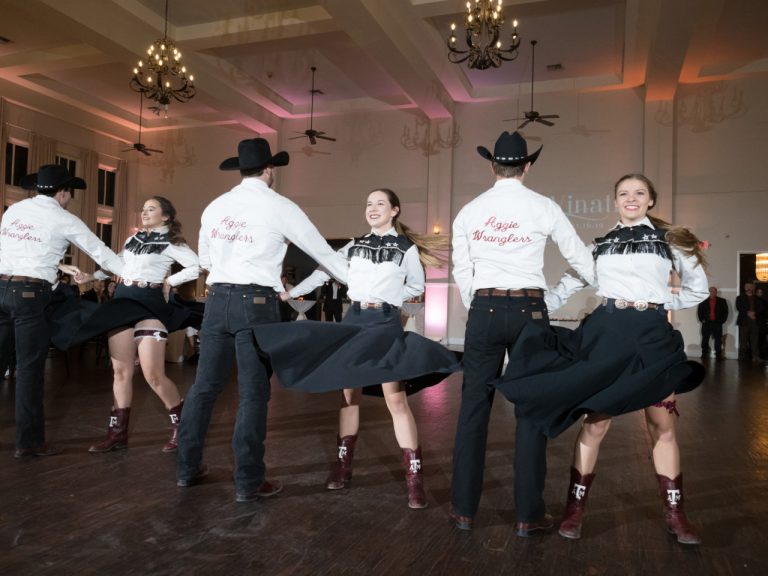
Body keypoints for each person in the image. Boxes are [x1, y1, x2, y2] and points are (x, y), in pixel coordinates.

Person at [523, 174, 708, 545]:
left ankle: (675, 514)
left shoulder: (670, 241)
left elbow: (698, 289)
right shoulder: (599, 245)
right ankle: (575, 509)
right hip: (606, 335)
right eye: (624, 193)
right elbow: (569, 283)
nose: (631, 198)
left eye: (639, 193)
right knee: (595, 425)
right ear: (615, 201)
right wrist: (535, 309)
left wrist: (656, 301)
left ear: (651, 200)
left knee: (662, 425)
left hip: (653, 338)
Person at [175, 137, 350, 502]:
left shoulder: (215, 206)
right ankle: (249, 480)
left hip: (216, 300)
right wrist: (362, 286)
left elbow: (205, 261)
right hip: (255, 303)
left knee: (204, 387)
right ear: (270, 169)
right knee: (253, 392)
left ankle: (186, 469)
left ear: (241, 170)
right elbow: (323, 253)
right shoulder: (280, 206)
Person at [271, 188, 458, 509]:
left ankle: (414, 479)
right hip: (354, 321)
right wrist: (291, 294)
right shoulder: (353, 245)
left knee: (395, 399)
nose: (372, 208)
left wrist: (391, 300)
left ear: (395, 210)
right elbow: (323, 272)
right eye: (369, 203)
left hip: (385, 322)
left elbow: (416, 285)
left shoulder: (406, 249)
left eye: (380, 203)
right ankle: (343, 467)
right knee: (349, 397)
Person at [449, 131, 596, 534]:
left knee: (473, 408)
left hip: (485, 309)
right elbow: (582, 261)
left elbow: (462, 269)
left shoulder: (469, 211)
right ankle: (528, 516)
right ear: (527, 166)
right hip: (531, 311)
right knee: (530, 409)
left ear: (492, 166)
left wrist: (479, 303)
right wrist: (555, 297)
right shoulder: (544, 206)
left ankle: (463, 509)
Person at [0, 164, 124, 458]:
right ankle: (29, 443)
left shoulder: (14, 211)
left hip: (1, 289)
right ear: (64, 193)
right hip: (30, 296)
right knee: (29, 370)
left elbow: (21, 251)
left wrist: (58, 265)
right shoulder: (64, 218)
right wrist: (131, 272)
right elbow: (101, 252)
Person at [72, 196, 199, 453]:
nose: (144, 213)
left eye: (151, 209)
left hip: (149, 303)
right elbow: (116, 264)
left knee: (153, 374)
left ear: (166, 216)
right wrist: (90, 276)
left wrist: (169, 281)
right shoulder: (133, 240)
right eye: (143, 209)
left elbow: (197, 266)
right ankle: (117, 434)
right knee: (120, 372)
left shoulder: (172, 242)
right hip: (123, 300)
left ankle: (184, 428)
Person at [736, 283, 765, 362]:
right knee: (743, 341)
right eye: (748, 287)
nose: (749, 288)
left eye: (751, 287)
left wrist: (754, 313)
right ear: (745, 288)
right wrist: (748, 313)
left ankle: (755, 357)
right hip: (744, 322)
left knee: (755, 341)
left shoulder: (757, 298)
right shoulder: (740, 298)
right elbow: (739, 307)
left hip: (755, 322)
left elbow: (761, 308)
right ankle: (741, 357)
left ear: (753, 288)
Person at [697, 287, 728, 359]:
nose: (712, 292)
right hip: (706, 323)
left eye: (714, 291)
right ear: (708, 292)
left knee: (718, 340)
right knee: (705, 339)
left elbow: (725, 312)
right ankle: (704, 353)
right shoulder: (703, 301)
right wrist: (702, 320)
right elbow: (700, 312)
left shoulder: (722, 301)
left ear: (716, 292)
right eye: (710, 291)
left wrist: (721, 321)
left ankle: (718, 354)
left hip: (717, 323)